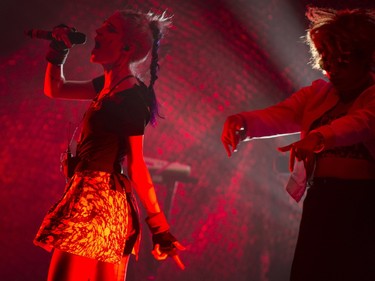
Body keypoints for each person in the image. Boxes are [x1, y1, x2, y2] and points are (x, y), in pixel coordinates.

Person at [221, 6, 375, 281]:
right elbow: (283, 114)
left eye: (342, 62)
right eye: (327, 61)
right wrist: (243, 122)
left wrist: (318, 137)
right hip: (322, 202)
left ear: (366, 60)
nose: (333, 70)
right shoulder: (319, 94)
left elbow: (361, 123)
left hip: (362, 206)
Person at [33, 9, 185, 281]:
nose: (97, 32)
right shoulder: (107, 85)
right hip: (88, 196)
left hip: (100, 203)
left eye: (109, 30)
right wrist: (58, 53)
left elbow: (137, 165)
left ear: (127, 47)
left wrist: (159, 228)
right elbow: (55, 89)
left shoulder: (131, 98)